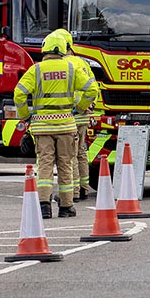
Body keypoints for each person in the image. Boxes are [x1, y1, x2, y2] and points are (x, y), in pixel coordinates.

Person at [14, 33, 96, 219]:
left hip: (42, 127)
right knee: (65, 165)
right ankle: (66, 207)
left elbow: (19, 94)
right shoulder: (71, 68)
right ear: (62, 48)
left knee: (45, 165)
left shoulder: (36, 70)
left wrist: (26, 116)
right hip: (66, 125)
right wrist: (80, 108)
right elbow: (92, 90)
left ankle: (44, 206)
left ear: (45, 49)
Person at [43, 28, 98, 201]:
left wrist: (77, 108)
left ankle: (72, 192)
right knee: (81, 152)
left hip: (70, 115)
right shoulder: (82, 62)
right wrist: (87, 106)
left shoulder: (65, 64)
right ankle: (83, 188)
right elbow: (93, 86)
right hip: (84, 113)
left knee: (70, 155)